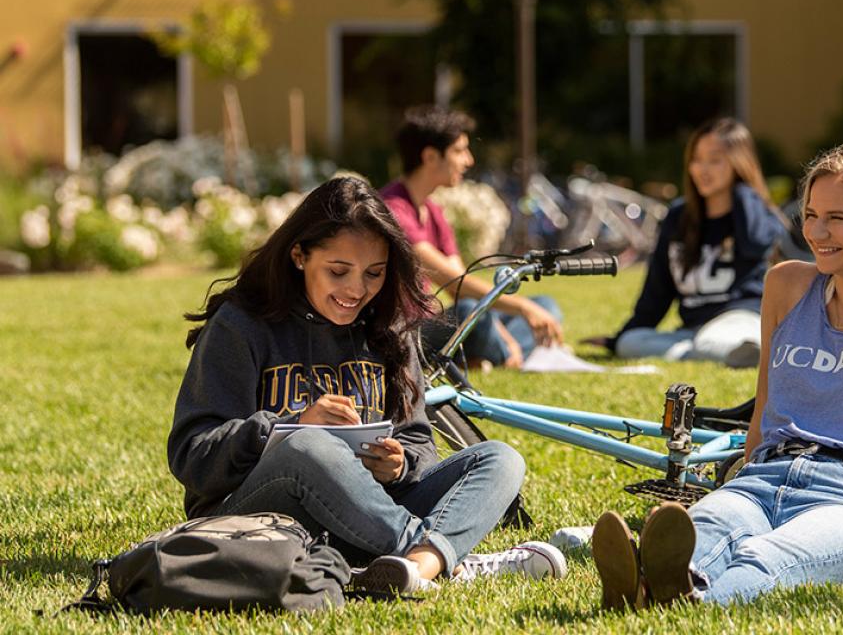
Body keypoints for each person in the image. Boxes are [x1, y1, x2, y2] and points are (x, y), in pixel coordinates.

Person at [589, 142, 843, 607]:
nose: (817, 231)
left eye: (837, 218)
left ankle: (674, 599)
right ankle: (659, 582)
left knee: (765, 556)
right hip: (763, 479)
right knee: (708, 534)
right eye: (812, 215)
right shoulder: (787, 286)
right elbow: (763, 412)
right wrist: (735, 484)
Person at [168, 177, 565, 595]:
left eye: (374, 274)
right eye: (338, 271)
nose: (356, 290)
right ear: (299, 256)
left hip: (367, 513)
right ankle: (445, 561)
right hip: (253, 518)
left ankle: (414, 567)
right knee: (309, 446)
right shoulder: (241, 326)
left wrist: (399, 466)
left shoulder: (389, 326)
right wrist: (291, 425)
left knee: (499, 459)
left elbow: (417, 442)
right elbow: (192, 455)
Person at [380, 105, 564, 369]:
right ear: (430, 156)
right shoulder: (393, 210)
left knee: (545, 306)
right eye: (459, 151)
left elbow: (459, 282)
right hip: (408, 333)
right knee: (469, 312)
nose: (469, 160)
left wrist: (511, 322)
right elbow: (453, 281)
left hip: (439, 320)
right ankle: (500, 353)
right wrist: (521, 308)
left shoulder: (431, 210)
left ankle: (492, 353)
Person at [597, 118, 786, 368]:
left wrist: (743, 192)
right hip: (691, 331)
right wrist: (617, 340)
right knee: (630, 343)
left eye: (715, 160)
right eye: (696, 159)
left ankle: (743, 350)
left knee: (710, 341)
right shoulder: (677, 217)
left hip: (739, 319)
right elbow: (657, 291)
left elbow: (756, 244)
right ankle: (724, 354)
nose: (702, 169)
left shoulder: (756, 214)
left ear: (739, 164)